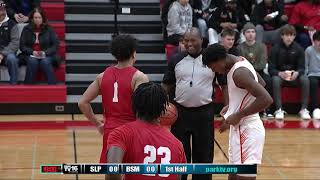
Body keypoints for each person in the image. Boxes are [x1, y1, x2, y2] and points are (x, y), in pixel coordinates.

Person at [162, 27, 228, 180]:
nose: (189, 44)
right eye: (186, 41)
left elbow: (223, 86)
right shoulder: (176, 59)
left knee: (204, 156)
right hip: (179, 114)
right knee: (180, 155)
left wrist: (227, 111)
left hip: (204, 113)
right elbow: (166, 85)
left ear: (201, 40)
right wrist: (161, 106)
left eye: (192, 40)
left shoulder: (211, 59)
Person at [202, 44, 273, 180]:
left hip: (248, 130)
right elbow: (261, 82)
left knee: (244, 177)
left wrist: (239, 114)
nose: (215, 71)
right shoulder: (239, 61)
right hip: (240, 129)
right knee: (233, 174)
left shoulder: (239, 73)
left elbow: (266, 98)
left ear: (219, 60)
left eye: (213, 67)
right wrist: (233, 106)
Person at [78, 34, 149, 163]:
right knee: (132, 172)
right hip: (132, 130)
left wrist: (98, 124)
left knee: (111, 172)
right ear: (133, 53)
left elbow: (82, 103)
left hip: (110, 131)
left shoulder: (102, 76)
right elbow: (143, 108)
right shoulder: (139, 77)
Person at [105, 82, 186, 180]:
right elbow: (178, 177)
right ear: (162, 110)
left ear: (134, 105)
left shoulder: (121, 134)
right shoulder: (177, 144)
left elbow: (113, 170)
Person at [268, 25, 310, 122]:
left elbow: (302, 68)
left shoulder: (299, 49)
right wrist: (279, 73)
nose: (289, 38)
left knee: (305, 79)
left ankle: (304, 109)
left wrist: (297, 73)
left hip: (295, 77)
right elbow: (271, 68)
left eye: (291, 35)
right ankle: (279, 109)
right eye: (286, 35)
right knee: (275, 79)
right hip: (281, 77)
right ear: (282, 36)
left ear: (294, 36)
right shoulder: (275, 49)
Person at [238, 22, 273, 117]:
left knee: (269, 81)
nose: (250, 34)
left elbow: (262, 64)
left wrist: (251, 68)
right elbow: (241, 63)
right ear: (244, 34)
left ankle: (268, 109)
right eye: (248, 32)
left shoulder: (262, 46)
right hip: (245, 74)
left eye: (253, 32)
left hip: (259, 73)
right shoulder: (240, 47)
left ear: (255, 34)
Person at [20, 7, 60, 85]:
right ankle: (28, 86)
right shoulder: (26, 29)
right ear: (32, 19)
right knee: (32, 61)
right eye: (35, 17)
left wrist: (45, 53)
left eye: (39, 17)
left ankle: (53, 86)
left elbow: (55, 45)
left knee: (45, 62)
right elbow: (22, 46)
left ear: (43, 18)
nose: (37, 19)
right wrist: (32, 52)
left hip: (46, 54)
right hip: (30, 55)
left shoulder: (49, 29)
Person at [0, 1, 20, 84]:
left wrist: (2, 54)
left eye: (3, 10)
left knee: (12, 59)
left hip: (8, 52)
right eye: (0, 10)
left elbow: (15, 43)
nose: (2, 12)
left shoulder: (12, 24)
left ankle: (14, 84)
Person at [305, 31, 320, 126]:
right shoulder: (309, 50)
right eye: (318, 40)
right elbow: (306, 64)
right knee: (313, 83)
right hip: (312, 74)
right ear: (314, 41)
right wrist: (306, 75)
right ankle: (315, 109)